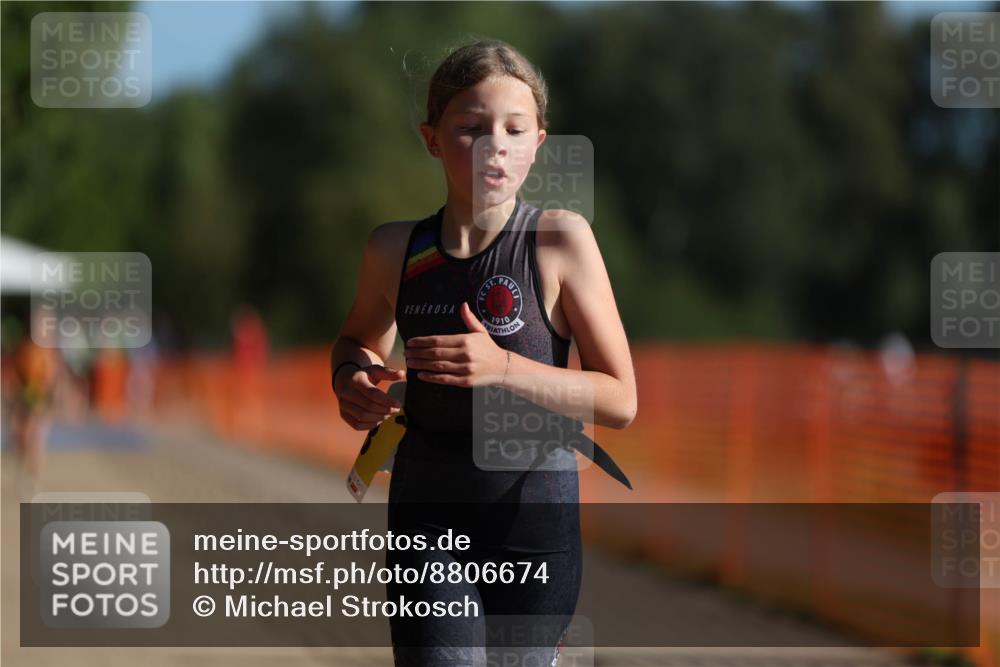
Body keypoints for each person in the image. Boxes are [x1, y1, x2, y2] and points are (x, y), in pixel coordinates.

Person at [330, 38, 637, 667]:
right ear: (432, 139)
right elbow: (357, 341)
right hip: (427, 516)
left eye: (514, 129)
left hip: (533, 525)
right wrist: (351, 378)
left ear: (537, 143)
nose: (495, 144)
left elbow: (620, 400)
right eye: (471, 127)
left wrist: (504, 368)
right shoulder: (395, 250)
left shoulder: (559, 240)